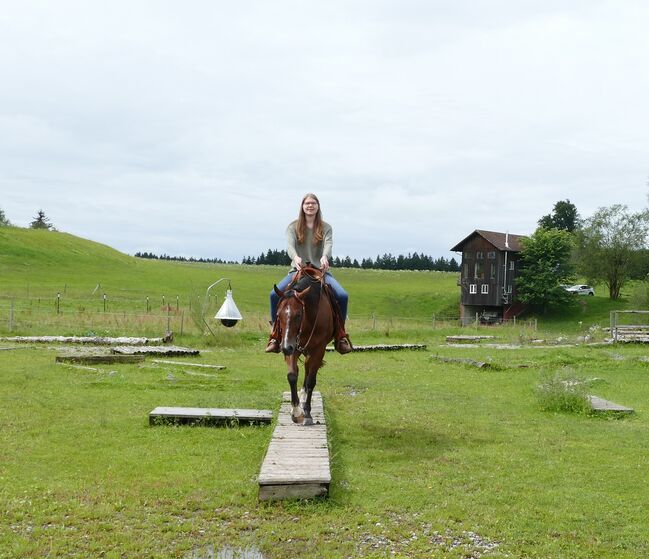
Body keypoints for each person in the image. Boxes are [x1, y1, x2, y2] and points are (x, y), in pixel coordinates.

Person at [265, 193, 352, 354]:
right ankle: (275, 336)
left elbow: (328, 245)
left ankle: (340, 336)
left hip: (320, 272)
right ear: (302, 206)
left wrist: (325, 257)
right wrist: (296, 257)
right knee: (273, 295)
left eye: (313, 203)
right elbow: (290, 247)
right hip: (297, 270)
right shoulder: (293, 227)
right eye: (307, 203)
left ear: (318, 206)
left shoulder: (326, 227)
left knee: (342, 295)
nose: (310, 206)